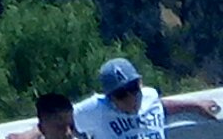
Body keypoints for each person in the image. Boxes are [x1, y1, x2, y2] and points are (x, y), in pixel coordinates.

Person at [79, 55, 222, 139]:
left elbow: (160, 106)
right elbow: (62, 119)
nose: (130, 98)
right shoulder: (97, 109)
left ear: (140, 83)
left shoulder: (150, 96)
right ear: (109, 97)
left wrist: (194, 106)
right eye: (121, 94)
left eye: (133, 88)